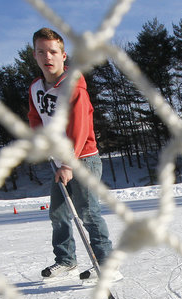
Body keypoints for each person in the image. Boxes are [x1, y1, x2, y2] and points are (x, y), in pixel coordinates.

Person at [28, 27, 115, 280]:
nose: (48, 57)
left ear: (63, 56)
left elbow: (80, 128)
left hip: (83, 159)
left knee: (87, 212)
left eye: (53, 51)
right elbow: (35, 117)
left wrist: (68, 163)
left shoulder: (73, 85)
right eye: (42, 51)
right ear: (35, 55)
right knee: (58, 213)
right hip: (59, 161)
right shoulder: (35, 87)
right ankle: (66, 260)